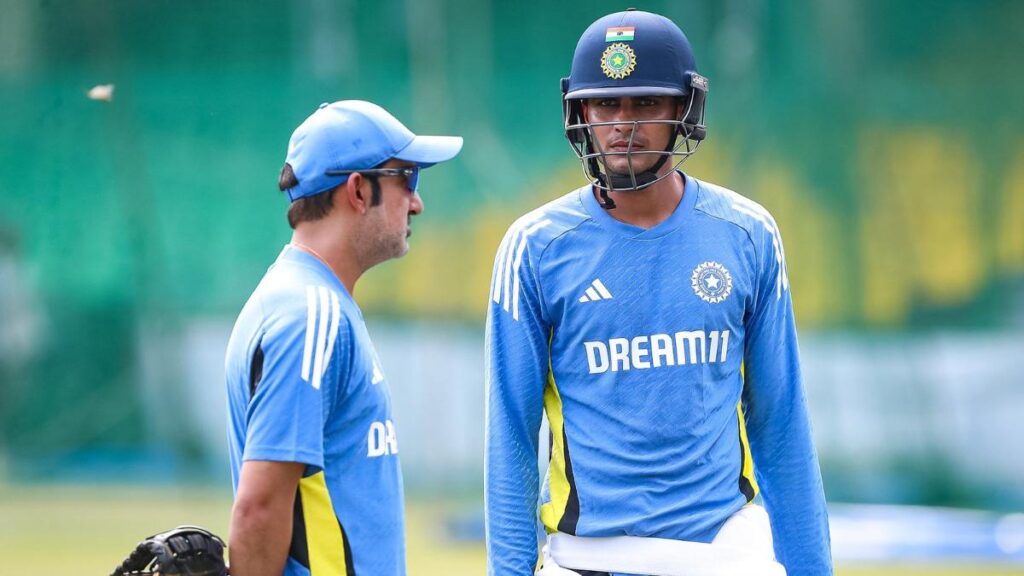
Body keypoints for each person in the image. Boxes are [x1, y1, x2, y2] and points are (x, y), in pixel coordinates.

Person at [485, 9, 831, 576]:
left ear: (683, 109)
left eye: (645, 103)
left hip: (721, 551)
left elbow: (780, 423)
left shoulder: (747, 234)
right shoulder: (535, 248)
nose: (624, 124)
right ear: (581, 113)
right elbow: (510, 439)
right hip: (588, 556)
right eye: (607, 105)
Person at [225, 100, 462, 576]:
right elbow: (259, 507)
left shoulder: (312, 304)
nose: (417, 202)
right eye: (407, 179)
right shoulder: (311, 317)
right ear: (358, 189)